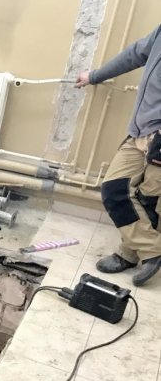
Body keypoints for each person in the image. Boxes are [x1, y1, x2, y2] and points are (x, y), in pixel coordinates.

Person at [76, 24, 161, 286]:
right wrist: (95, 75)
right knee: (114, 188)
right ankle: (152, 250)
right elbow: (134, 54)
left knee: (148, 199)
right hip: (140, 132)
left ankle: (130, 253)